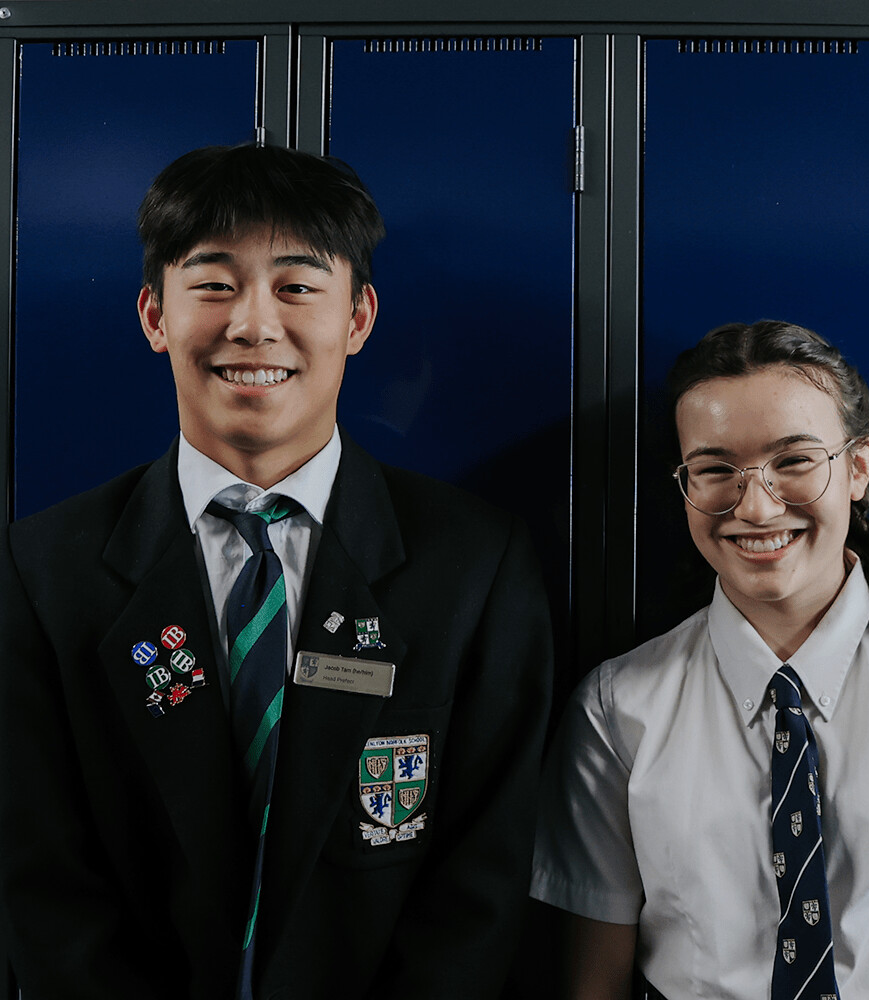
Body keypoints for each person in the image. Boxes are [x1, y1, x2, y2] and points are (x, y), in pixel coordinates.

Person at [0, 143, 552, 999]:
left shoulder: (474, 565)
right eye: (214, 284)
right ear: (154, 316)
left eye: (297, 287)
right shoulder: (41, 572)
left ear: (358, 319)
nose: (254, 324)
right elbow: (40, 886)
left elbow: (481, 883)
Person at [530, 320, 869, 1000]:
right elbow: (592, 983)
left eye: (795, 461)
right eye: (716, 469)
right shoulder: (616, 710)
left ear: (860, 467)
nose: (755, 505)